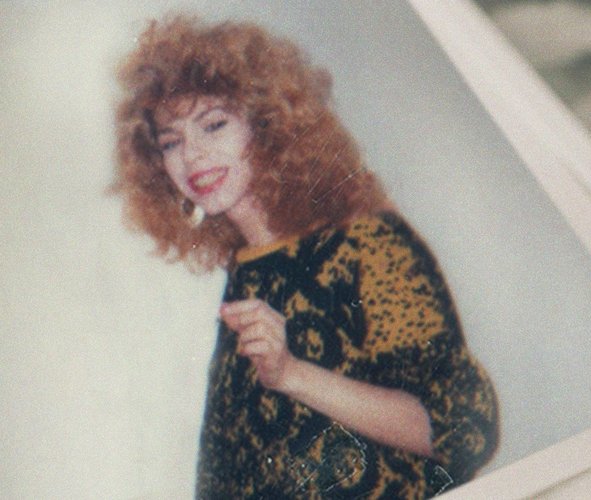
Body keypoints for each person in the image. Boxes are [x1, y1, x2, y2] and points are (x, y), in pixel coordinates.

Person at [112, 16, 498, 499]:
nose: (192, 155)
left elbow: (465, 432)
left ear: (268, 125)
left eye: (213, 125)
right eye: (171, 141)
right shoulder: (247, 272)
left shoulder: (368, 244)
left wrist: (291, 374)